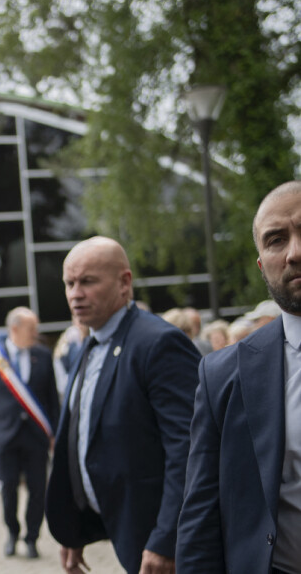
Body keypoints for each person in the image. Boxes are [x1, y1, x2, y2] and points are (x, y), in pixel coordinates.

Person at [45, 236, 201, 574]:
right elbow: (82, 436)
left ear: (124, 282)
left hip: (160, 545)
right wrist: (75, 529)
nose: (75, 293)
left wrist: (166, 539)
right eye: (69, 283)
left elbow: (189, 449)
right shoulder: (92, 341)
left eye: (87, 281)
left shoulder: (158, 343)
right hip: (125, 532)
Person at [177, 180, 301, 573]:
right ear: (263, 263)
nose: (295, 252)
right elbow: (201, 509)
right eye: (276, 240)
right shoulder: (222, 375)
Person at [0, 307, 60, 559]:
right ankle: (12, 533)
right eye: (31, 328)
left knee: (38, 489)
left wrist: (54, 433)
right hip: (5, 435)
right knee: (8, 489)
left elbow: (51, 398)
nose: (36, 334)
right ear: (14, 329)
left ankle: (32, 537)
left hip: (35, 435)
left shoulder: (43, 355)